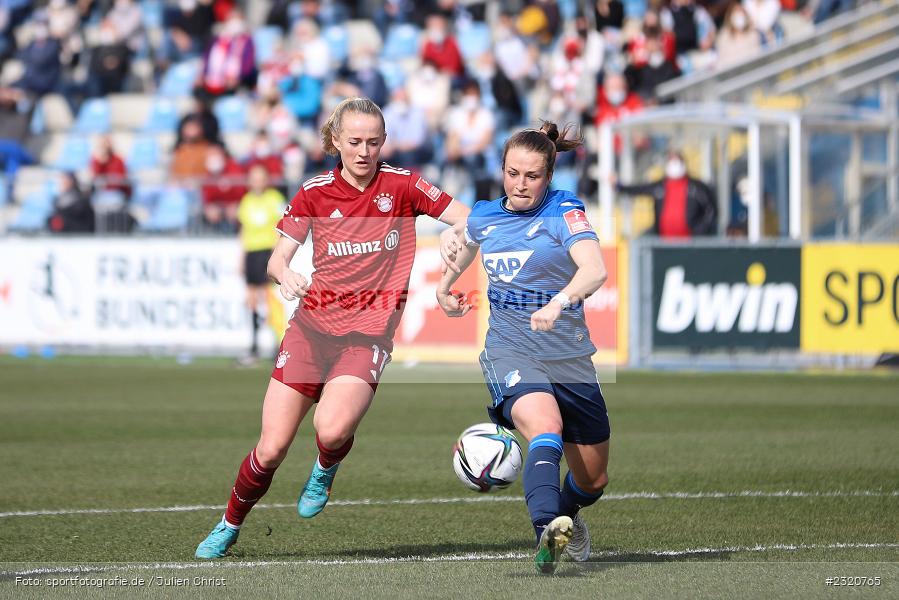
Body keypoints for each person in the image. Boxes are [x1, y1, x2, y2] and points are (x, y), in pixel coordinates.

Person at [195, 97, 470, 559]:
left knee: (333, 427)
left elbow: (469, 215)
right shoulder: (314, 191)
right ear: (336, 141)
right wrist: (287, 276)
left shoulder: (403, 185)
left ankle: (325, 466)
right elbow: (278, 258)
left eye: (374, 142)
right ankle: (229, 523)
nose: (365, 151)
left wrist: (453, 232)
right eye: (356, 141)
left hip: (367, 334)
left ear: (385, 142)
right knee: (271, 448)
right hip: (312, 328)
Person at [437, 122, 610, 574]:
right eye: (513, 173)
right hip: (510, 349)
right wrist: (445, 287)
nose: (520, 184)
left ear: (549, 176)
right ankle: (546, 536)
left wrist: (559, 302)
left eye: (531, 176)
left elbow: (594, 270)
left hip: (569, 356)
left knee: (593, 480)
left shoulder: (564, 210)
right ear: (502, 171)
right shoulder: (484, 215)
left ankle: (569, 514)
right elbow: (467, 241)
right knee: (544, 426)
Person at [236, 164, 286, 365]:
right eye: (253, 177)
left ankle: (278, 344)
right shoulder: (246, 200)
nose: (257, 181)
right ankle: (254, 345)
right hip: (251, 253)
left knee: (270, 298)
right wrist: (241, 258)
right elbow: (243, 231)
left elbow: (283, 227)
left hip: (268, 251)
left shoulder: (274, 199)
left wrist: (278, 254)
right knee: (252, 299)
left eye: (260, 177)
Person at [614, 150, 718, 238]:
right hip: (664, 242)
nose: (674, 165)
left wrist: (700, 230)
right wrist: (619, 186)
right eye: (671, 161)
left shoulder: (696, 187)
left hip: (690, 242)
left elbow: (711, 209)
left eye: (677, 161)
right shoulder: (660, 186)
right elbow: (639, 189)